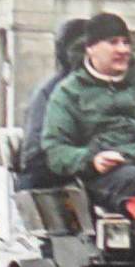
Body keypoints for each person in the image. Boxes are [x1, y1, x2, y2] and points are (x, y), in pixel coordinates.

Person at [40, 12, 135, 211]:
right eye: (113, 42)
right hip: (102, 177)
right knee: (134, 180)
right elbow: (56, 148)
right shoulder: (69, 92)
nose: (122, 49)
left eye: (126, 43)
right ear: (91, 48)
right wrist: (92, 160)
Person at [18, 17, 88, 190]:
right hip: (54, 173)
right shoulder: (49, 92)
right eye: (79, 49)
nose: (85, 57)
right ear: (63, 53)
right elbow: (37, 152)